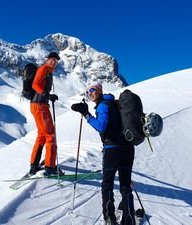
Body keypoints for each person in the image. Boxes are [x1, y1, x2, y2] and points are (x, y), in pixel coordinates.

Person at [71, 83, 135, 225]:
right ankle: (129, 220)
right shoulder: (116, 103)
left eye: (92, 90)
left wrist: (87, 115)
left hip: (112, 150)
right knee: (125, 185)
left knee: (107, 184)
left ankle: (109, 217)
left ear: (100, 90)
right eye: (88, 92)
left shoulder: (103, 105)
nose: (90, 94)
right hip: (128, 149)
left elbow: (101, 126)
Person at [29, 52, 64, 176]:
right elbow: (35, 85)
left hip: (38, 105)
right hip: (40, 106)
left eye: (56, 61)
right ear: (47, 60)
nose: (54, 62)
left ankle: (34, 165)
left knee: (42, 136)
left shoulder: (49, 71)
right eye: (52, 59)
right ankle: (50, 167)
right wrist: (47, 95)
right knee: (50, 135)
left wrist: (47, 97)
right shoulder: (43, 69)